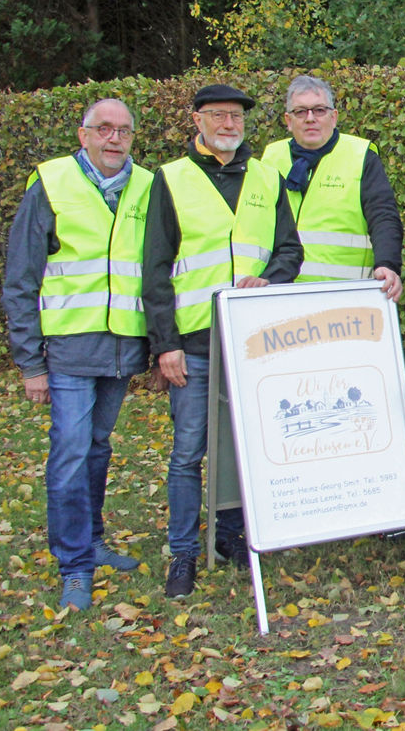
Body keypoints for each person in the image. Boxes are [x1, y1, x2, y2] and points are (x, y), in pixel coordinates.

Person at [142, 84, 302, 598]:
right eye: (219, 115)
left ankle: (231, 537)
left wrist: (271, 281)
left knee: (244, 447)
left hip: (252, 340)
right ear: (198, 121)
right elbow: (155, 267)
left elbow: (289, 250)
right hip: (192, 342)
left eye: (236, 116)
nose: (230, 123)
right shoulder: (171, 178)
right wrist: (164, 344)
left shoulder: (266, 176)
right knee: (189, 451)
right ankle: (184, 553)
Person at [1, 98, 151, 610]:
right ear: (83, 134)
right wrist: (29, 363)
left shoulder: (147, 186)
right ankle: (74, 566)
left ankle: (91, 539)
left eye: (124, 131)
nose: (114, 139)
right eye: (103, 129)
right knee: (68, 454)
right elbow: (20, 278)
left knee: (98, 446)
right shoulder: (51, 183)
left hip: (120, 348)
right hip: (66, 349)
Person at [260, 75, 403, 300]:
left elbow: (383, 215)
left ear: (333, 117)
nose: (310, 118)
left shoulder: (361, 156)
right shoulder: (269, 159)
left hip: (344, 298)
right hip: (278, 295)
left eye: (319, 110)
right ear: (288, 121)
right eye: (301, 112)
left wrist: (387, 263)